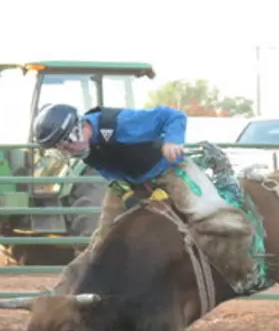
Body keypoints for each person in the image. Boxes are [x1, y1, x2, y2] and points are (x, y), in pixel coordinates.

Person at [31, 102, 257, 294]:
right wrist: (128, 193)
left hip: (168, 168)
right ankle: (64, 293)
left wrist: (172, 140)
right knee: (101, 240)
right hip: (130, 180)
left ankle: (245, 273)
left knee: (214, 217)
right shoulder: (85, 148)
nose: (65, 150)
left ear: (76, 130)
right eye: (59, 147)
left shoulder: (121, 124)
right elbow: (109, 170)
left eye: (64, 143)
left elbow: (173, 116)